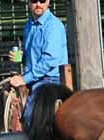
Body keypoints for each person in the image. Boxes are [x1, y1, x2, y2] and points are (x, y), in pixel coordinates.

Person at [8, 0, 68, 128]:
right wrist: (21, 58)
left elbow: (49, 61)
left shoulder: (54, 26)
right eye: (34, 1)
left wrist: (24, 79)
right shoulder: (29, 25)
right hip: (34, 77)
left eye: (42, 0)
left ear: (48, 2)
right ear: (28, 3)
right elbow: (32, 57)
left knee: (30, 115)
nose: (38, 4)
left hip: (52, 79)